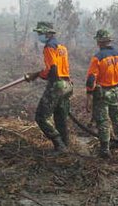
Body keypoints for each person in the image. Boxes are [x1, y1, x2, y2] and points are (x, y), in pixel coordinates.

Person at [25, 22, 73, 154]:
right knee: (60, 117)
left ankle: (59, 144)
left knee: (41, 117)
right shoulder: (62, 47)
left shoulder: (49, 47)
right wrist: (39, 73)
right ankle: (65, 145)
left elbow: (53, 69)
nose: (39, 36)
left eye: (40, 33)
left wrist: (37, 75)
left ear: (48, 33)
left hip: (57, 85)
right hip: (67, 84)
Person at [85, 29, 118, 159]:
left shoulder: (98, 58)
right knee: (116, 117)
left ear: (99, 42)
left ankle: (105, 150)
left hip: (102, 93)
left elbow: (91, 80)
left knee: (103, 121)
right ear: (109, 41)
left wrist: (88, 99)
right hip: (116, 92)